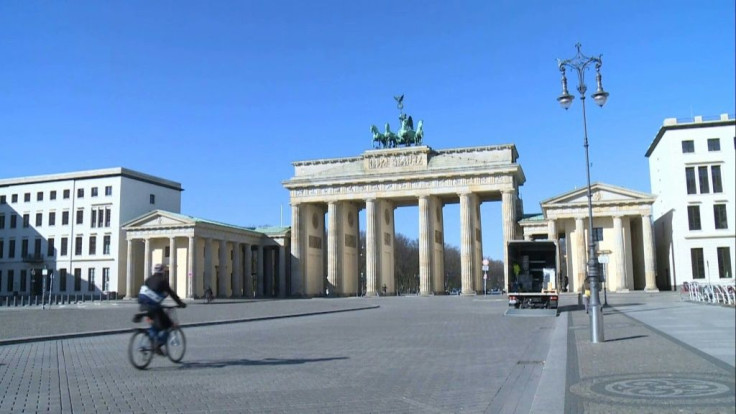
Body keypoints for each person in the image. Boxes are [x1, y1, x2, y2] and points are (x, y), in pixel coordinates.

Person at [138, 264, 186, 352]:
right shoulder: (163, 280)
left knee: (154, 324)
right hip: (153, 307)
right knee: (168, 325)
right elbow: (171, 293)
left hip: (143, 305)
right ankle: (158, 344)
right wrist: (180, 303)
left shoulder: (148, 280)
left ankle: (151, 341)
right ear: (163, 271)